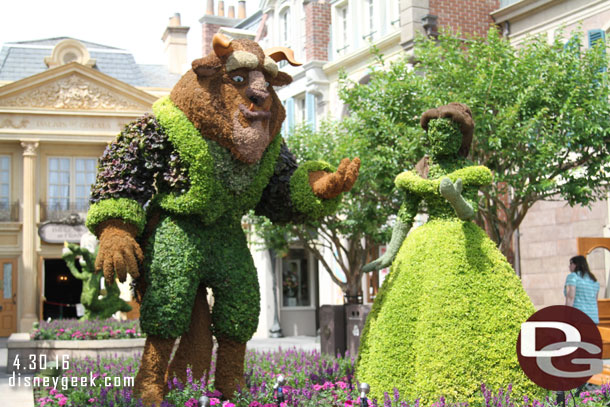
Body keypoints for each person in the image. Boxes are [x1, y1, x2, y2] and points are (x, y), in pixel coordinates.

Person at [356, 103, 539, 404]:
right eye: (435, 132)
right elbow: (405, 214)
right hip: (424, 246)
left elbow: (470, 213)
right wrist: (390, 254)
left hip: (463, 240)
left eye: (448, 132)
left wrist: (454, 198)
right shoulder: (418, 173)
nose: (441, 138)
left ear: (460, 138)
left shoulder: (467, 172)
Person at [565, 255, 599, 324]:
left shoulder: (573, 277)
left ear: (576, 264)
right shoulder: (594, 280)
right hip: (593, 318)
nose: (569, 266)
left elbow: (570, 298)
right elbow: (595, 300)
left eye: (571, 263)